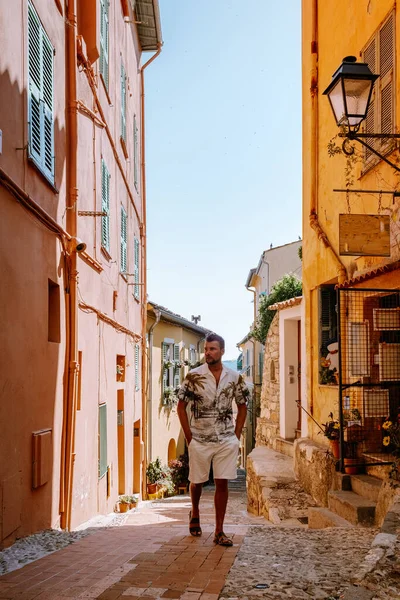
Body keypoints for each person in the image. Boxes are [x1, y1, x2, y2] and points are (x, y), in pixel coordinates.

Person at [177, 333, 249, 546]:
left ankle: (219, 531)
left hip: (225, 439)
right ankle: (196, 512)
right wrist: (189, 436)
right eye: (206, 349)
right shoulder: (193, 376)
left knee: (222, 482)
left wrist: (236, 436)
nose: (208, 353)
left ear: (222, 351)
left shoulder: (235, 377)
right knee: (197, 480)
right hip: (199, 438)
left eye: (212, 349)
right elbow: (181, 406)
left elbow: (243, 406)